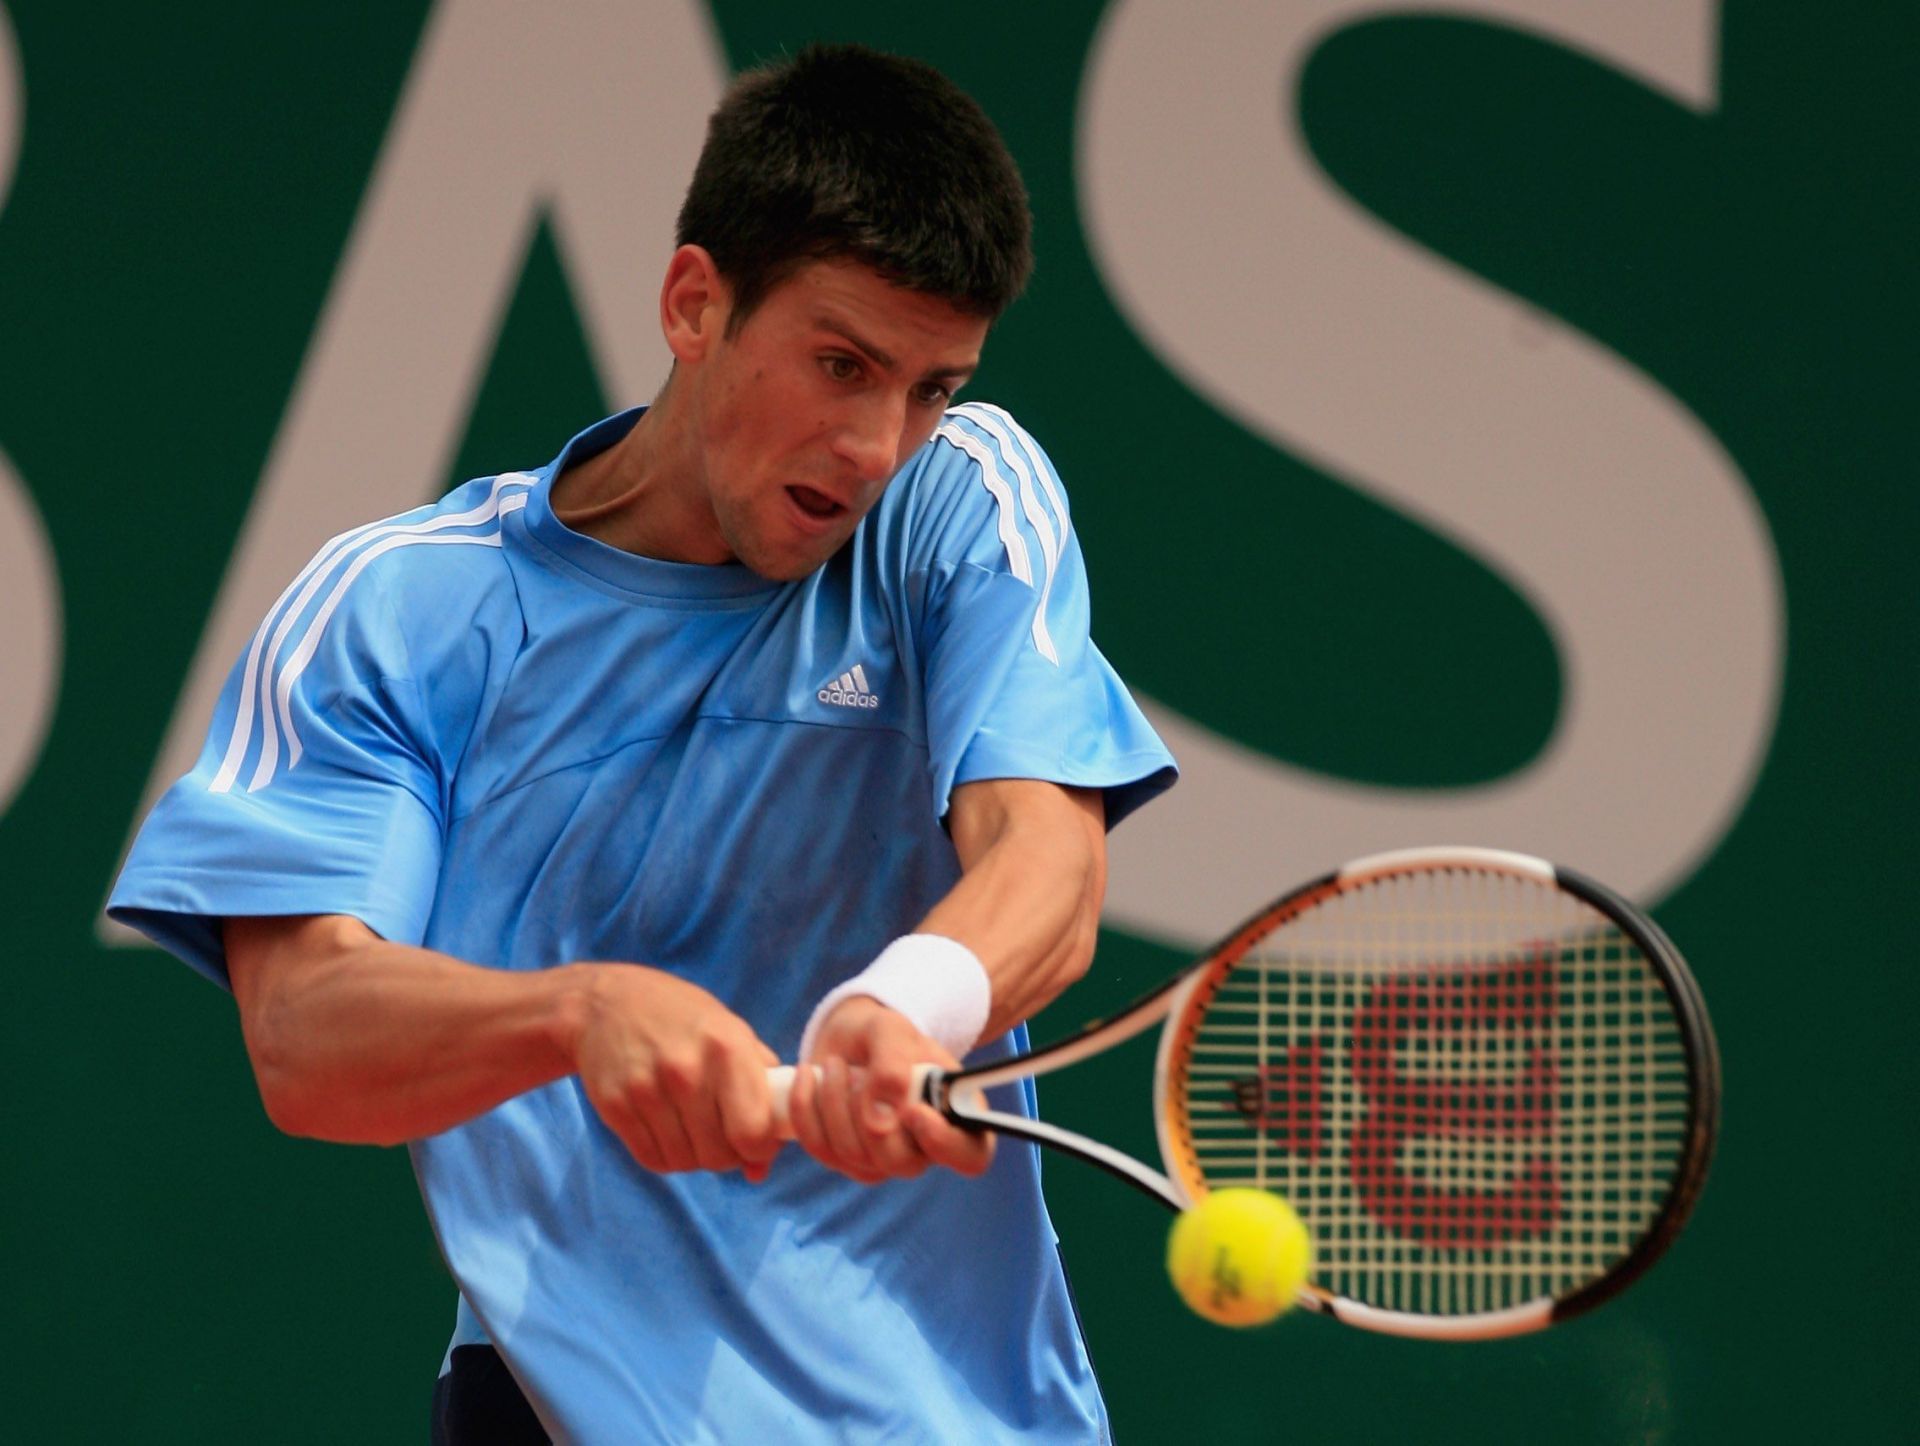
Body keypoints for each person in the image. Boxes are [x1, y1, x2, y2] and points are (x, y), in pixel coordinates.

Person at [110, 43, 1175, 1444]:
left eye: (928, 386)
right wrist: (575, 1013)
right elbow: (306, 1035)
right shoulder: (405, 612)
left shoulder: (958, 501)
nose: (876, 443)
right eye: (841, 363)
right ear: (695, 304)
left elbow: (1047, 858)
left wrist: (905, 1004)